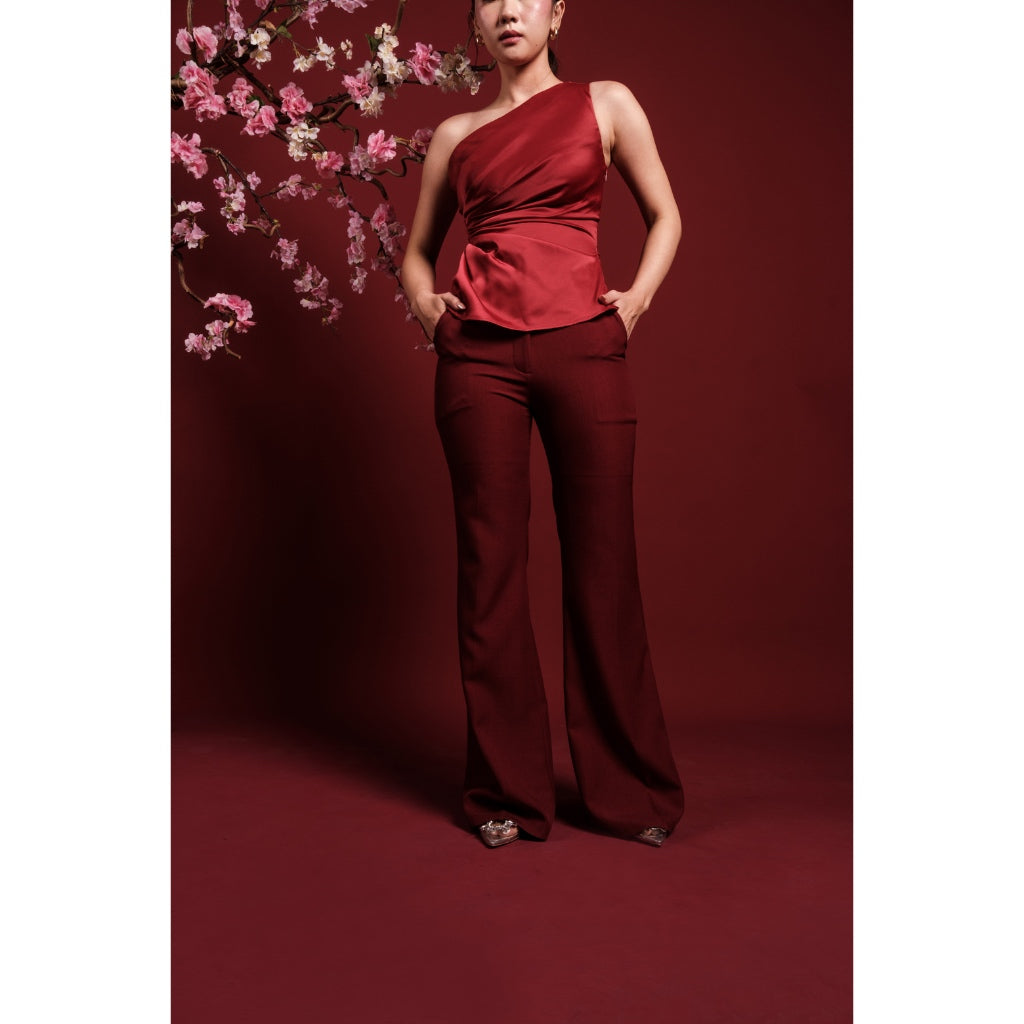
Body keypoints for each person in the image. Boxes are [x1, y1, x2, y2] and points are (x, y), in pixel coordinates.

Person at [401, 0, 685, 848]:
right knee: (489, 566)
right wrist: (431, 313)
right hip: (478, 358)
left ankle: (630, 792)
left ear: (557, 15)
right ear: (476, 25)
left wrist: (633, 303)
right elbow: (417, 253)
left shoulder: (607, 103)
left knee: (604, 562)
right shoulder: (455, 135)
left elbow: (667, 216)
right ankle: (505, 794)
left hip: (583, 347)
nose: (507, 9)